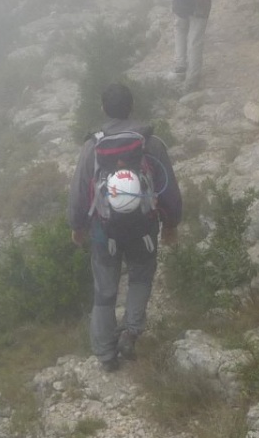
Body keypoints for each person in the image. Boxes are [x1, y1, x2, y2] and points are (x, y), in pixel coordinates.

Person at [68, 82, 183, 371]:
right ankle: (131, 333)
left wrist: (77, 225)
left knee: (104, 293)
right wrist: (171, 224)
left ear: (104, 109)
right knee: (140, 279)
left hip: (103, 231)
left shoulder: (92, 146)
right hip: (143, 227)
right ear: (132, 106)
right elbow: (168, 189)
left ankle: (106, 356)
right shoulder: (151, 143)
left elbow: (81, 190)